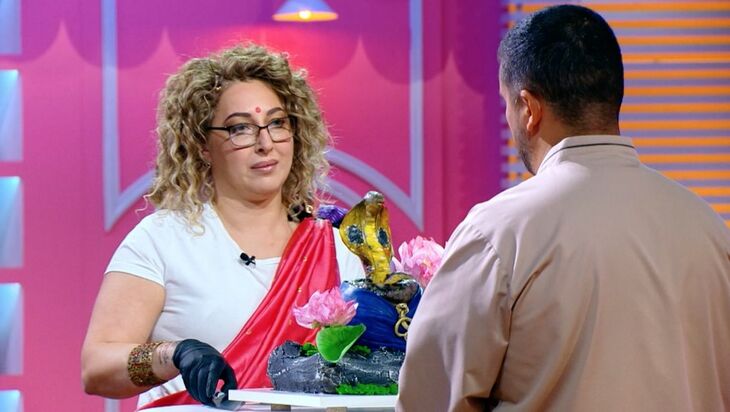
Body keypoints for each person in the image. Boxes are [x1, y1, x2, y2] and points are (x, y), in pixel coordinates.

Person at [397, 5, 730, 411]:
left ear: (529, 109)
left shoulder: (498, 233)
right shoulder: (709, 229)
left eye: (506, 104)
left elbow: (430, 400)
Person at [81, 43, 365, 410]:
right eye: (240, 129)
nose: (265, 143)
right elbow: (97, 367)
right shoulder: (162, 239)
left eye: (277, 123)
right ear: (202, 145)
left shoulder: (335, 245)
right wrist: (175, 354)